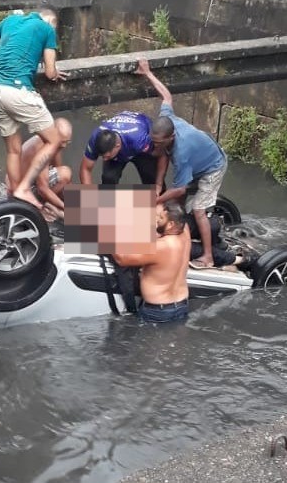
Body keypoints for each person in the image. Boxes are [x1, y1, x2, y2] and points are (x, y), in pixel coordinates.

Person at [134, 57, 227, 269]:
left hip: (213, 167)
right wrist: (147, 72)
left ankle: (208, 257)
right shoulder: (167, 119)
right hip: (198, 158)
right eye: (153, 141)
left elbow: (178, 189)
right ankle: (180, 228)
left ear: (170, 138)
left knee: (198, 210)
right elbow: (166, 96)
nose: (154, 146)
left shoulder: (182, 153)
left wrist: (155, 201)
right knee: (177, 203)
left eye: (158, 143)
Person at [0, 8, 68, 211]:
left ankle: (14, 198)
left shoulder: (11, 20)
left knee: (13, 150)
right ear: (51, 22)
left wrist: (4, 59)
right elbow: (50, 71)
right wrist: (53, 74)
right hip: (18, 92)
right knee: (54, 140)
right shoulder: (47, 29)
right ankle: (25, 188)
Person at [112, 201, 191, 323]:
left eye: (161, 217)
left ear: (170, 224)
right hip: (182, 305)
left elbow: (121, 259)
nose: (157, 219)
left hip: (158, 312)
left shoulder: (160, 246)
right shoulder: (185, 231)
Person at [79, 110, 167, 194]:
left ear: (117, 146)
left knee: (151, 177)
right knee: (109, 178)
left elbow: (162, 154)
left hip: (138, 148)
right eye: (103, 156)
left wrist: (159, 184)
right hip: (122, 148)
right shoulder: (96, 138)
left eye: (107, 156)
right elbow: (85, 168)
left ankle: (162, 202)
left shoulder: (139, 140)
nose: (105, 159)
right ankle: (107, 203)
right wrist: (89, 196)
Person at [10, 117, 73, 218]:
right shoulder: (42, 147)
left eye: (67, 142)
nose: (64, 145)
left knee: (65, 178)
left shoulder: (54, 142)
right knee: (65, 173)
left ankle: (57, 206)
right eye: (62, 142)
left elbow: (58, 169)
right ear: (54, 134)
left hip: (32, 182)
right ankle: (45, 207)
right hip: (23, 191)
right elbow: (42, 188)